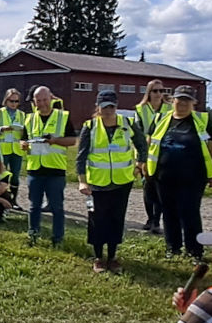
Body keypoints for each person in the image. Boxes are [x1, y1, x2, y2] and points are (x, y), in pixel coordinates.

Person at [145, 86, 212, 258]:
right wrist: (145, 167)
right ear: (173, 100)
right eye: (180, 99)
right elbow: (149, 143)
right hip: (164, 177)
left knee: (190, 213)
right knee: (169, 212)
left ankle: (195, 251)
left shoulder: (203, 120)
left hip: (193, 178)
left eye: (187, 100)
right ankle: (173, 248)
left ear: (194, 102)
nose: (183, 103)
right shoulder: (160, 119)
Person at [77, 89, 146, 273]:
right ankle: (99, 257)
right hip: (97, 184)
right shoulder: (90, 126)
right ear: (98, 107)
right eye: (104, 107)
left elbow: (142, 145)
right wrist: (82, 181)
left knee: (117, 219)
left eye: (111, 107)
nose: (108, 111)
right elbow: (81, 156)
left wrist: (139, 166)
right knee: (97, 220)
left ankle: (113, 257)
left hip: (122, 182)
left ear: (116, 106)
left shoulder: (128, 123)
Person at [23, 85, 76, 247]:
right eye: (38, 100)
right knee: (34, 206)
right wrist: (22, 144)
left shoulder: (63, 117)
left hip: (55, 170)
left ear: (51, 98)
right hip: (35, 169)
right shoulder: (29, 119)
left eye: (45, 100)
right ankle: (33, 235)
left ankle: (58, 238)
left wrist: (55, 140)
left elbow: (72, 141)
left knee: (57, 207)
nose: (42, 103)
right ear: (34, 102)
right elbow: (23, 139)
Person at [135, 79, 169, 234]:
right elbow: (138, 133)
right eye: (155, 91)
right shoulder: (141, 109)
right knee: (148, 188)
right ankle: (150, 218)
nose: (158, 94)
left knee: (161, 188)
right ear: (149, 93)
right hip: (146, 153)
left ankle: (156, 220)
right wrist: (141, 158)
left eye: (161, 91)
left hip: (164, 154)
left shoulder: (169, 108)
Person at [0, 88, 28, 206]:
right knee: (1, 175)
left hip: (16, 150)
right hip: (2, 150)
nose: (14, 104)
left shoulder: (22, 115)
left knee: (15, 176)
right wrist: (3, 129)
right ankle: (1, 200)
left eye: (16, 101)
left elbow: (26, 133)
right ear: (6, 100)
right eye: (11, 101)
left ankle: (13, 201)